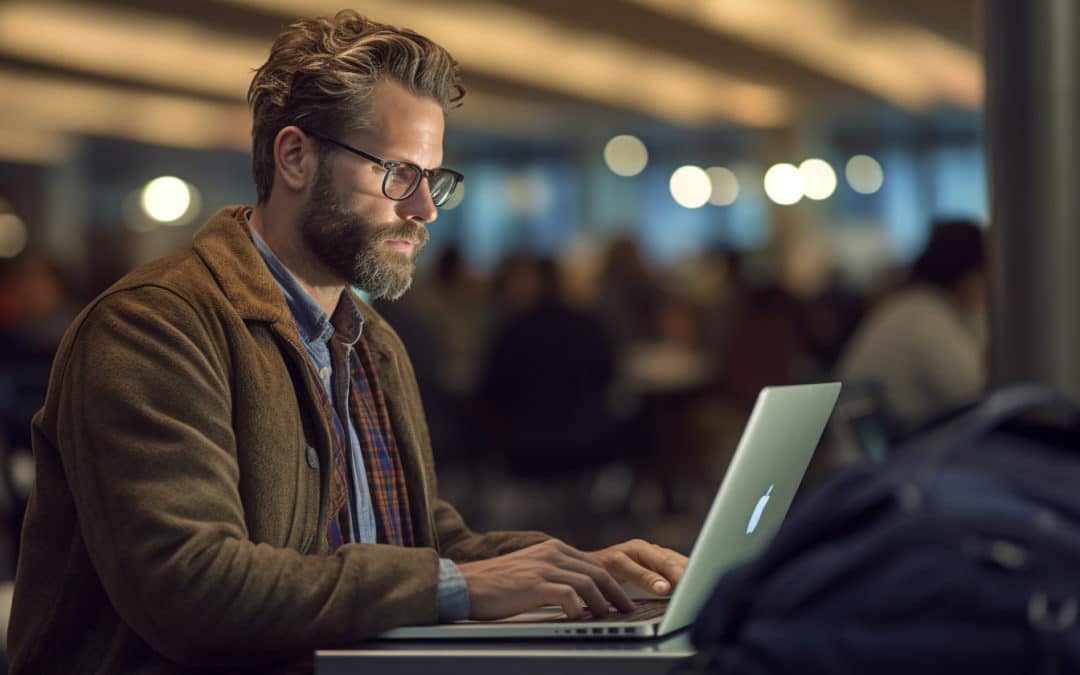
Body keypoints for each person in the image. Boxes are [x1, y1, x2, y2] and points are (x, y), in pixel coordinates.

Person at [6, 12, 687, 674]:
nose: (423, 210)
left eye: (433, 179)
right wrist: (456, 584)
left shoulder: (370, 339)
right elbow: (194, 587)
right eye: (397, 174)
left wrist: (578, 566)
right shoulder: (152, 328)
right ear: (296, 156)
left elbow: (415, 542)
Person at [838, 219, 988, 435]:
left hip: (889, 444)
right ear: (968, 273)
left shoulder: (913, 306)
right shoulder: (923, 315)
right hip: (876, 456)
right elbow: (975, 389)